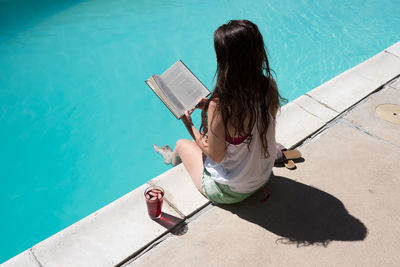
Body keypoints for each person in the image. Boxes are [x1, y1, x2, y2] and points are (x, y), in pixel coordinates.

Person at [154, 19, 289, 204]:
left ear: (223, 61)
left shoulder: (221, 105)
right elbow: (251, 116)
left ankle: (171, 159)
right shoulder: (269, 86)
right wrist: (209, 104)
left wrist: (189, 124)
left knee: (182, 144)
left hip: (232, 191)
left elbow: (216, 155)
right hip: (264, 176)